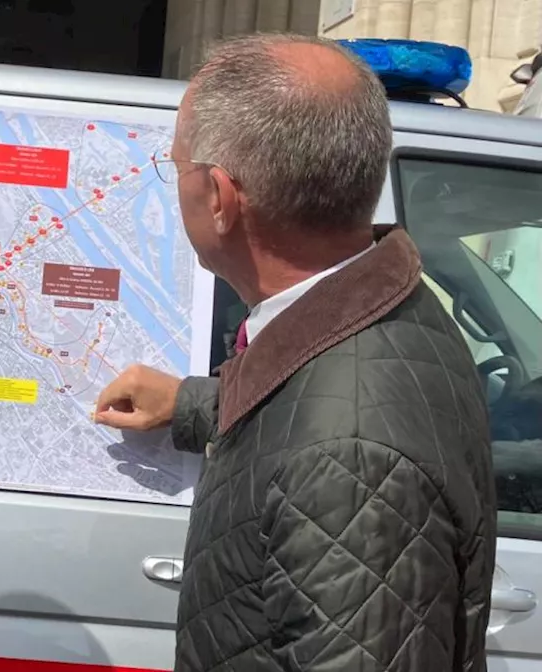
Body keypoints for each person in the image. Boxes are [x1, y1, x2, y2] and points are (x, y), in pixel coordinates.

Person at [94, 34, 495, 671]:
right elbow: (317, 394)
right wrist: (195, 403)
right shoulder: (386, 302)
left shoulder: (350, 464)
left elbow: (337, 444)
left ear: (220, 199)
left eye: (176, 169)